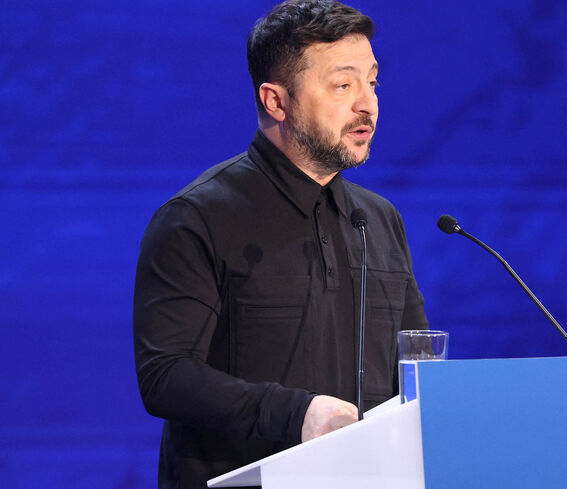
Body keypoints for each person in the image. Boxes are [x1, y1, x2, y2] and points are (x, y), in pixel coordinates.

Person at [132, 1, 429, 487]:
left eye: (372, 82)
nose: (367, 104)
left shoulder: (378, 219)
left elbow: (416, 366)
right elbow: (165, 376)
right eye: (343, 85)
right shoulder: (198, 218)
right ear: (276, 101)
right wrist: (296, 413)